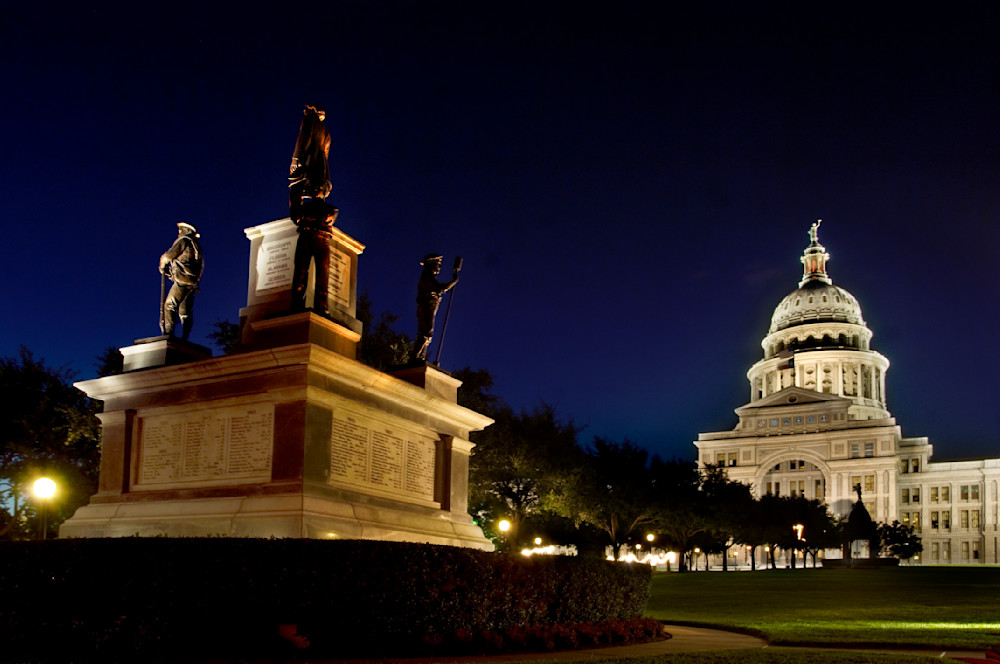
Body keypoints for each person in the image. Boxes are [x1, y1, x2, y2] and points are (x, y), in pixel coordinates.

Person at [159, 222, 204, 340]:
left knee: (169, 304)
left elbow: (168, 256)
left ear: (185, 231)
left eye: (180, 230)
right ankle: (185, 337)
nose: (179, 232)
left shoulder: (184, 241)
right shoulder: (197, 247)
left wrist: (162, 265)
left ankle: (168, 333)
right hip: (192, 283)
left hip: (182, 281)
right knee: (184, 311)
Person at [411, 254, 459, 362]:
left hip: (430, 308)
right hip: (426, 308)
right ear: (431, 264)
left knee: (427, 333)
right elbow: (441, 288)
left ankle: (421, 357)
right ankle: (415, 357)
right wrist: (454, 281)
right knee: (426, 332)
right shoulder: (427, 277)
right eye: (438, 264)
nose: (439, 267)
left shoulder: (430, 277)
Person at [288, 104, 332, 222]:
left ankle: (296, 215)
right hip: (320, 164)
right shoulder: (325, 129)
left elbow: (303, 139)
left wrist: (296, 160)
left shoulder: (309, 120)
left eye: (307, 108)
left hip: (309, 160)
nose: (304, 110)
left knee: (295, 186)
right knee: (317, 191)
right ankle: (318, 209)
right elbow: (326, 149)